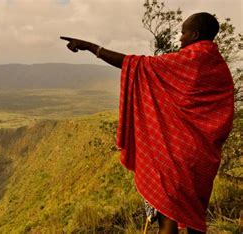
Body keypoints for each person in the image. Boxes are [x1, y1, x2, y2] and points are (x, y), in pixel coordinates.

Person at [61, 12, 234, 234]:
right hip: (201, 156)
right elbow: (223, 112)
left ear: (195, 34)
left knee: (168, 218)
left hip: (174, 155)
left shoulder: (187, 60)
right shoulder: (219, 67)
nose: (180, 38)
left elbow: (133, 64)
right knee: (193, 217)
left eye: (183, 33)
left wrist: (91, 47)